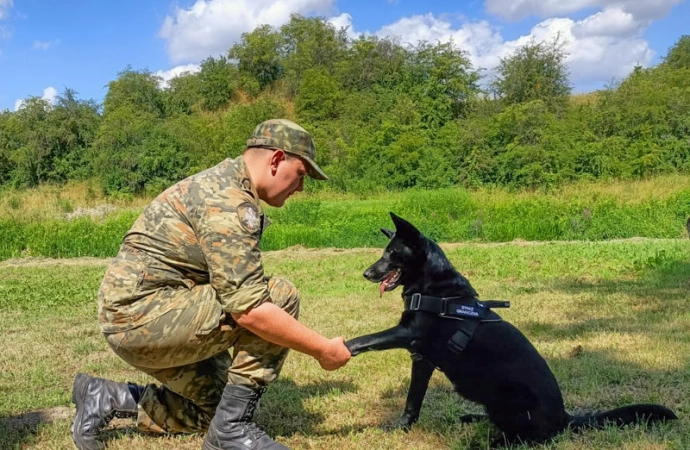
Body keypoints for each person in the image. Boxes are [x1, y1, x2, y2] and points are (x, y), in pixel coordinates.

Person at [71, 119, 352, 450]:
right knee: (278, 296)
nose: (301, 187)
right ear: (276, 160)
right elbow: (249, 309)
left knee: (214, 411)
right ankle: (232, 431)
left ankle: (109, 397)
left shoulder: (228, 185)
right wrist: (323, 349)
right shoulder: (228, 198)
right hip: (140, 316)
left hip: (151, 311)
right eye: (302, 173)